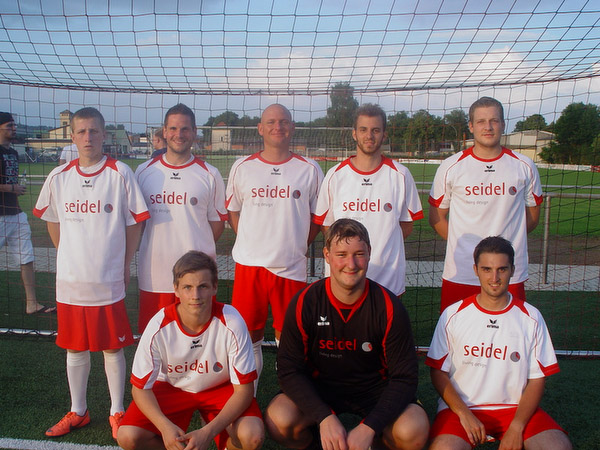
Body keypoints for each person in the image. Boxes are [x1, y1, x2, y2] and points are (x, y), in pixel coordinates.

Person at [33, 107, 149, 439]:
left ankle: (117, 411)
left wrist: (124, 263)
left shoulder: (120, 173)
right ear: (72, 136)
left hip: (107, 280)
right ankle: (79, 411)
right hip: (70, 283)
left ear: (104, 135)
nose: (88, 137)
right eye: (82, 131)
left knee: (112, 347)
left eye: (94, 131)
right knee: (75, 348)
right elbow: (52, 221)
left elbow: (135, 223)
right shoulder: (59, 176)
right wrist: (69, 254)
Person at [265, 219, 429, 450]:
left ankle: (375, 443)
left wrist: (369, 427)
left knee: (414, 429)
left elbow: (405, 378)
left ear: (369, 253)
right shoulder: (305, 302)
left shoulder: (389, 306)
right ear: (327, 255)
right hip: (320, 388)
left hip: (375, 390)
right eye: (341, 254)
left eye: (358, 254)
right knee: (279, 419)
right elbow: (288, 370)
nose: (350, 264)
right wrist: (324, 416)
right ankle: (320, 444)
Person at [426, 236, 571, 450]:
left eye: (502, 269)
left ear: (512, 270)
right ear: (476, 270)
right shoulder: (453, 315)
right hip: (461, 408)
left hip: (514, 408)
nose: (494, 278)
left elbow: (537, 378)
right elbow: (438, 372)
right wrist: (464, 414)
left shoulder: (531, 317)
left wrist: (517, 426)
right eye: (487, 269)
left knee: (558, 447)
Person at [117, 251, 264, 450]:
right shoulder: (159, 325)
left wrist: (207, 432)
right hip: (172, 387)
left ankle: (226, 445)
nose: (195, 296)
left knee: (252, 436)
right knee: (127, 436)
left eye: (203, 286)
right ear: (176, 289)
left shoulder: (232, 321)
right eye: (188, 287)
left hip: (220, 388)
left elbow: (244, 391)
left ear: (214, 287)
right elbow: (140, 389)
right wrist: (165, 427)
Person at [226, 103, 323, 386]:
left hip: (290, 268)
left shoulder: (310, 169)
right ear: (260, 128)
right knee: (248, 337)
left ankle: (291, 395)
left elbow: (318, 217)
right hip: (250, 267)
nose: (277, 127)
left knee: (290, 338)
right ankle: (249, 397)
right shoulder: (242, 167)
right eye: (270, 122)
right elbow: (233, 211)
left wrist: (296, 244)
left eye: (283, 122)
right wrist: (250, 240)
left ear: (292, 127)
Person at [429, 97, 543, 312]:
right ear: (471, 126)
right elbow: (436, 217)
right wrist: (465, 247)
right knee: (455, 329)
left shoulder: (524, 165)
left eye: (494, 121)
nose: (488, 127)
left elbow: (532, 217)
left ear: (503, 124)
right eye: (481, 121)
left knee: (510, 330)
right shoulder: (451, 166)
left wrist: (504, 249)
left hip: (508, 273)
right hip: (462, 271)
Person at [314, 103, 423, 296]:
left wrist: (382, 245)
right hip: (343, 281)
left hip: (387, 280)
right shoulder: (335, 175)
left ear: (384, 135)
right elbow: (326, 226)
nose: (369, 136)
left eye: (376, 130)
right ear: (354, 133)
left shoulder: (401, 175)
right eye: (363, 130)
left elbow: (406, 226)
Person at [135, 103, 226, 333]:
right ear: (164, 132)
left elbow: (216, 224)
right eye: (173, 129)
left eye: (185, 129)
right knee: (155, 338)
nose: (179, 134)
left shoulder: (210, 174)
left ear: (194, 132)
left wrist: (195, 245)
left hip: (196, 278)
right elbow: (137, 224)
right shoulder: (143, 172)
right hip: (154, 273)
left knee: (199, 337)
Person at [0, 111, 54, 314]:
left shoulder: (13, 153)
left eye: (14, 125)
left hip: (16, 214)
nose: (14, 128)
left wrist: (13, 189)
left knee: (27, 257)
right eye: (9, 126)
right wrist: (10, 188)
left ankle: (32, 303)